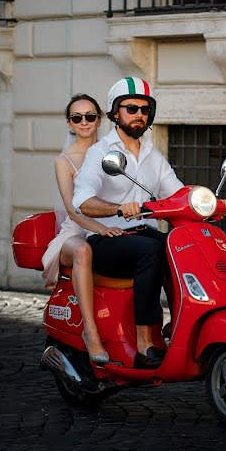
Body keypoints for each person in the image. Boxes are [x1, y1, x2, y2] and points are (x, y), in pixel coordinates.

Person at [73, 76, 184, 369]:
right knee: (152, 251)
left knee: (182, 246)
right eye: (131, 108)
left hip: (142, 235)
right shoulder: (101, 153)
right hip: (106, 240)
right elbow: (83, 201)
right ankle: (144, 340)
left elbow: (176, 193)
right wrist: (119, 209)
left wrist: (205, 199)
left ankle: (180, 324)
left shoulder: (153, 156)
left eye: (145, 110)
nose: (139, 115)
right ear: (115, 113)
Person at [41, 94, 124, 365]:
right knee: (83, 251)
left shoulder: (112, 152)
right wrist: (99, 227)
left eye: (90, 116)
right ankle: (91, 333)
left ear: (99, 119)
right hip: (75, 233)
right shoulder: (63, 161)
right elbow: (73, 209)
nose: (84, 122)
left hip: (111, 226)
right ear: (69, 123)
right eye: (77, 117)